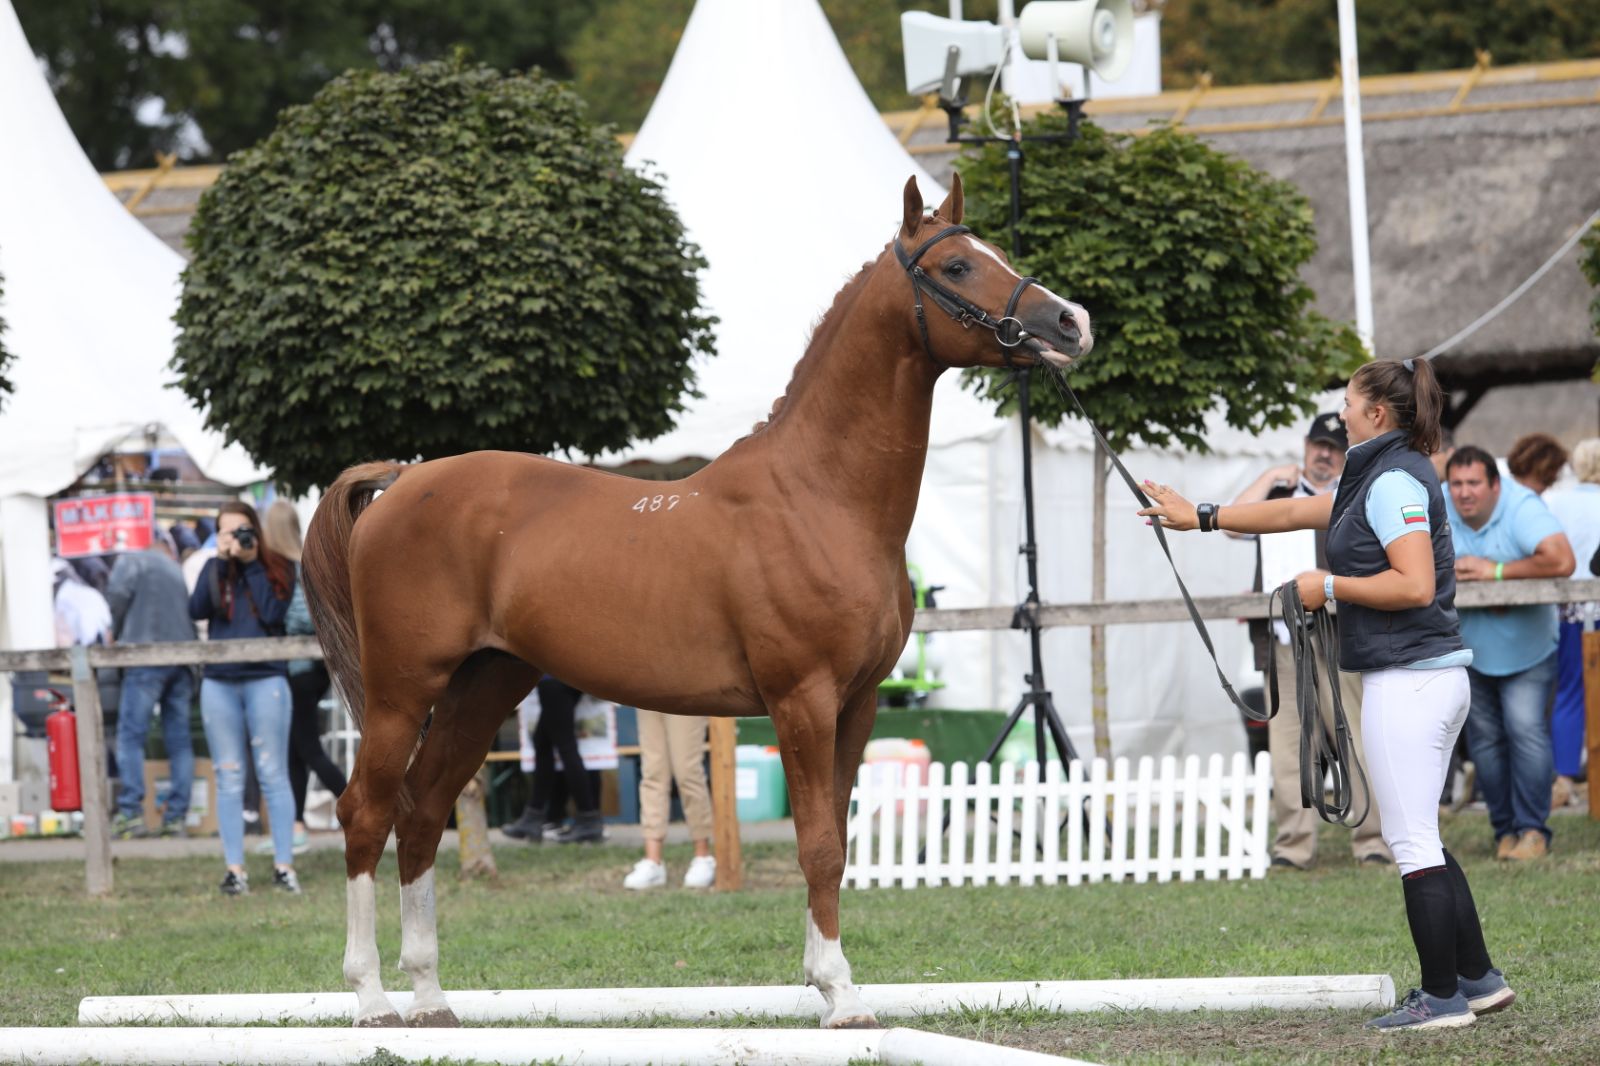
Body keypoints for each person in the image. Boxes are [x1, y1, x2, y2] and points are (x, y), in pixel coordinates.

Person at [1138, 359, 1513, 1031]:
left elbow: (1415, 584)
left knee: (1409, 840)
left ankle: (1440, 998)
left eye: (1346, 402)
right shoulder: (1378, 471)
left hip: (1412, 679)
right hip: (1421, 676)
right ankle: (1477, 979)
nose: (1338, 413)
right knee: (1420, 832)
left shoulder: (1393, 478)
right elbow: (1293, 509)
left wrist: (1328, 586)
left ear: (1375, 414)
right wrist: (1199, 515)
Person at [1225, 411, 1390, 869]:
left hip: (1341, 630)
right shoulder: (1279, 493)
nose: (1324, 454)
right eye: (1319, 445)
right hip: (1283, 636)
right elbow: (1234, 524)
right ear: (1306, 445)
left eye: (1334, 448)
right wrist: (1268, 476)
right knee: (1288, 742)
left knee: (1355, 735)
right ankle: (1293, 846)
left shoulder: (1356, 497)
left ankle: (1372, 840)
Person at [1445, 445, 1575, 860]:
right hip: (1470, 651)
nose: (1463, 493)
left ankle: (1533, 831)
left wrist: (1495, 572)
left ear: (1495, 486)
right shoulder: (1438, 508)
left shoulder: (1522, 506)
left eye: (1473, 484)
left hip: (1528, 650)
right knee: (1484, 743)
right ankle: (1504, 831)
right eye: (1456, 484)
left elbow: (1562, 559)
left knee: (1525, 732)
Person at [189, 501, 302, 895]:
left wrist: (252, 562)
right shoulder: (213, 568)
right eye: (227, 532)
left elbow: (273, 614)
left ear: (255, 529)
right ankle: (234, 870)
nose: (236, 539)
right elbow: (198, 610)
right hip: (219, 681)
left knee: (273, 773)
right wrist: (221, 563)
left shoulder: (277, 566)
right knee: (229, 775)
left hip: (265, 679)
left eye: (242, 531)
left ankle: (284, 866)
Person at [261, 499, 347, 853]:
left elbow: (300, 618)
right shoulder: (310, 563)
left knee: (308, 748)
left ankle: (357, 804)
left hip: (298, 669)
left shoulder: (288, 569)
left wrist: (274, 626)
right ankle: (295, 825)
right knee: (297, 751)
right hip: (314, 668)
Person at [104, 539, 198, 838]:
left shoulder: (132, 560)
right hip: (181, 660)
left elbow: (117, 596)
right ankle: (175, 818)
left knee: (131, 736)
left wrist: (115, 632)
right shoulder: (175, 569)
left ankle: (131, 813)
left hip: (145, 656)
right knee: (179, 740)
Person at [500, 677, 604, 844]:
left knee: (565, 746)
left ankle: (588, 817)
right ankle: (534, 815)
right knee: (543, 742)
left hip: (556, 677)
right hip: (563, 676)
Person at [622, 709, 717, 890]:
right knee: (652, 773)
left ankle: (703, 856)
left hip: (686, 691)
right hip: (649, 690)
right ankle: (653, 860)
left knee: (687, 773)